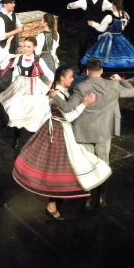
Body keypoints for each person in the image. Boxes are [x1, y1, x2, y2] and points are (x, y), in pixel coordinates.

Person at [12, 65, 110, 221]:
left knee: (61, 167)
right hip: (59, 131)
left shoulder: (60, 92)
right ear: (62, 78)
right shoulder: (57, 94)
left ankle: (56, 199)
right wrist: (85, 104)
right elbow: (69, 116)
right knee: (58, 167)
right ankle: (52, 205)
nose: (72, 79)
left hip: (60, 128)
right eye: (70, 77)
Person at [60, 58, 134, 210]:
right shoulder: (113, 86)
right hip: (104, 131)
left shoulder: (80, 87)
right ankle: (102, 198)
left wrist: (55, 95)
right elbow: (133, 92)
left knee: (87, 165)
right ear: (101, 71)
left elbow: (68, 108)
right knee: (104, 164)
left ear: (87, 71)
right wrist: (121, 80)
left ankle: (87, 198)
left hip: (84, 131)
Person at [0, 37, 55, 149]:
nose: (26, 49)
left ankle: (35, 139)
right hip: (20, 85)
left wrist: (48, 87)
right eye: (24, 46)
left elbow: (51, 75)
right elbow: (5, 65)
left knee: (34, 112)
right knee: (17, 110)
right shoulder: (19, 58)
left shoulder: (38, 60)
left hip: (34, 86)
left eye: (29, 46)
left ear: (34, 47)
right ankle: (17, 137)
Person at [81, 0, 134, 71]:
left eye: (112, 4)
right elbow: (122, 27)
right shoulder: (124, 15)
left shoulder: (109, 17)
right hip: (120, 38)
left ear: (114, 5)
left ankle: (104, 71)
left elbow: (101, 29)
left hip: (109, 39)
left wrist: (93, 24)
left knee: (103, 57)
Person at [67, 0, 113, 65]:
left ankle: (95, 67)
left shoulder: (104, 1)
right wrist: (70, 5)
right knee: (83, 47)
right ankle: (81, 66)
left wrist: (123, 11)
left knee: (96, 48)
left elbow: (114, 8)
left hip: (97, 29)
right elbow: (72, 4)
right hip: (85, 28)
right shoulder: (85, 0)